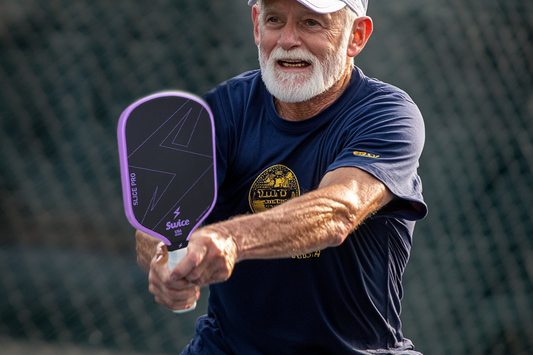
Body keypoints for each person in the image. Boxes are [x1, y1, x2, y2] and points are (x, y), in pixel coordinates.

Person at [135, 0, 427, 353]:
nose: (288, 39)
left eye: (311, 23)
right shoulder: (222, 110)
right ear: (257, 25)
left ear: (357, 36)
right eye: (275, 19)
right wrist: (163, 259)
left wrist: (231, 240)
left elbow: (338, 211)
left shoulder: (388, 115)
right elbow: (161, 218)